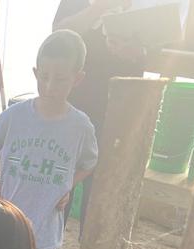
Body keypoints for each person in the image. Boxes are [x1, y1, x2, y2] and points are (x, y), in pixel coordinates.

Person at [0, 30, 98, 249]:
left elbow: (90, 162)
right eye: (44, 76)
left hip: (45, 228)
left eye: (60, 79)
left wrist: (70, 184)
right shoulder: (15, 116)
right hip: (7, 222)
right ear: (35, 73)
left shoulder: (80, 126)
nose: (49, 85)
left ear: (77, 79)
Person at [54, 0, 146, 226]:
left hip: (119, 110)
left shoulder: (139, 5)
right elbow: (59, 33)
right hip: (74, 106)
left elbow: (157, 46)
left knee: (101, 192)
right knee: (61, 184)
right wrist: (99, 8)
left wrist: (137, 51)